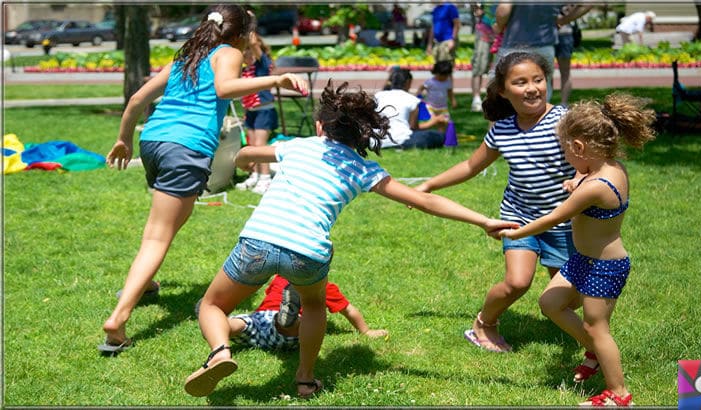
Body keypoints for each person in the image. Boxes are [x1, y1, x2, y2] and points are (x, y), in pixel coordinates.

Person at [184, 80, 517, 398]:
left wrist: (242, 158)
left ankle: (220, 352)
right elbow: (425, 201)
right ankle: (305, 378)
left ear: (321, 127)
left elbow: (246, 154)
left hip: (260, 239)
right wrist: (483, 219)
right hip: (308, 251)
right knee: (314, 305)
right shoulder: (363, 168)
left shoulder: (297, 146)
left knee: (212, 305)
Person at [100, 4, 310, 354]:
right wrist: (277, 79)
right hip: (186, 148)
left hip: (154, 142)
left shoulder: (188, 56)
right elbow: (226, 89)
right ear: (240, 34)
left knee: (160, 224)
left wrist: (123, 139)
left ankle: (145, 282)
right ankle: (118, 320)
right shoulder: (228, 52)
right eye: (251, 32)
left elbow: (138, 98)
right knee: (159, 235)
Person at [415, 52, 580, 353]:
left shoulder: (565, 120)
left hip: (563, 220)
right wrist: (429, 184)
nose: (532, 88)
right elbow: (469, 167)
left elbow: (588, 160)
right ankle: (483, 324)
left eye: (538, 80)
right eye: (520, 82)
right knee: (517, 282)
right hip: (518, 217)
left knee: (571, 296)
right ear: (503, 91)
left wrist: (581, 178)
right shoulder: (503, 129)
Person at [499, 92, 655, 406]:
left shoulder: (598, 184)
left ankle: (619, 394)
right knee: (551, 302)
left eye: (566, 152)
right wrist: (575, 180)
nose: (567, 160)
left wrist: (516, 232)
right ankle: (595, 353)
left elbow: (556, 216)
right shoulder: (606, 168)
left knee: (597, 327)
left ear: (579, 147)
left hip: (605, 266)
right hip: (583, 259)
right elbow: (582, 176)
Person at [220, 275, 387, 352]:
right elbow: (349, 310)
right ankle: (288, 320)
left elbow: (269, 294)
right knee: (300, 326)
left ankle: (218, 323)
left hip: (260, 320)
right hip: (281, 334)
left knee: (240, 324)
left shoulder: (278, 278)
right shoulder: (322, 286)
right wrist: (365, 331)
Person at [494, 2, 589, 101]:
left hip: (513, 44)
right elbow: (587, 4)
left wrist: (499, 26)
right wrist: (563, 20)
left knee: (508, 87)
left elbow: (503, 11)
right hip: (544, 45)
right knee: (540, 91)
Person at [234, 32, 278, 195]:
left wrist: (251, 38)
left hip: (264, 111)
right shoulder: (245, 70)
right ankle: (255, 174)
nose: (244, 55)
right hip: (251, 112)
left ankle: (265, 179)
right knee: (252, 146)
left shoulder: (262, 66)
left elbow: (254, 46)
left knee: (260, 146)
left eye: (247, 51)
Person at [375, 68, 449, 149]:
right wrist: (434, 121)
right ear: (408, 82)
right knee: (439, 136)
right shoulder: (412, 100)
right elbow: (414, 128)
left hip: (379, 139)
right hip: (402, 140)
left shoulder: (378, 95)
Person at [554, 4, 593, 107]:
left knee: (565, 71)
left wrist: (563, 19)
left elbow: (585, 5)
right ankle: (545, 103)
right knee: (545, 72)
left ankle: (564, 103)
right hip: (545, 35)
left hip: (565, 34)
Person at [470, 3, 497, 112]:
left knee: (495, 69)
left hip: (499, 34)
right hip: (483, 34)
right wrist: (477, 10)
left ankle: (492, 98)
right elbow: (475, 6)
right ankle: (476, 100)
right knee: (479, 67)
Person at [416, 60, 456, 133]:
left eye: (446, 75)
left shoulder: (448, 82)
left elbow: (450, 92)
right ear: (436, 73)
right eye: (441, 75)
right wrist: (418, 95)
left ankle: (440, 135)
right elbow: (421, 87)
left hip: (443, 107)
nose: (443, 77)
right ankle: (425, 133)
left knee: (444, 121)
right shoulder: (430, 82)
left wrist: (453, 100)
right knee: (429, 121)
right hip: (430, 107)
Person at [426, 1, 460, 66]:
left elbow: (457, 24)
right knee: (438, 67)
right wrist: (429, 44)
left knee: (446, 67)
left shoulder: (450, 7)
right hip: (437, 42)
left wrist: (453, 39)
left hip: (447, 41)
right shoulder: (436, 9)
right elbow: (433, 27)